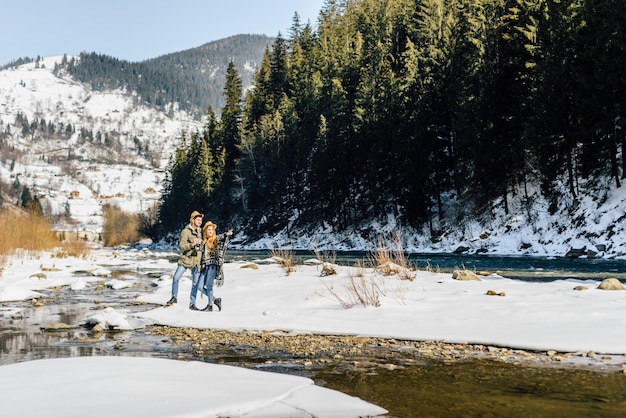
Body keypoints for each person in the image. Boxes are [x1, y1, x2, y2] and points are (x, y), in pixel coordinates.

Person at [165, 210, 204, 307]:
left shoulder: (201, 231)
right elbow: (181, 246)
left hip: (197, 260)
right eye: (198, 220)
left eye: (201, 220)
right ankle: (174, 297)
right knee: (176, 277)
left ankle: (192, 303)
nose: (200, 222)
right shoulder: (185, 231)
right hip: (186, 259)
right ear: (192, 220)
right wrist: (192, 244)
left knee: (195, 283)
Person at [192, 221, 232, 312]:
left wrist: (227, 234)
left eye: (212, 230)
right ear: (206, 231)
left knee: (209, 286)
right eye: (209, 229)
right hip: (205, 267)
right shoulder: (204, 241)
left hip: (213, 266)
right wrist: (195, 243)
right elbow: (198, 248)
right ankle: (215, 300)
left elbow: (222, 237)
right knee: (200, 286)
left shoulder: (216, 239)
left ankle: (210, 305)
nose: (210, 231)